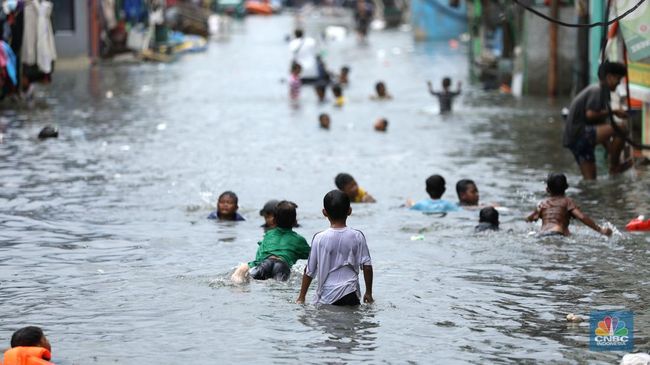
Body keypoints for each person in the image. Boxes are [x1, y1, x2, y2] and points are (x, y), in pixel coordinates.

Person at [296, 190, 373, 305]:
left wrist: (301, 297)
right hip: (351, 292)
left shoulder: (319, 238)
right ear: (350, 211)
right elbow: (367, 267)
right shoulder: (357, 236)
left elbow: (309, 270)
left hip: (328, 295)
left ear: (324, 212)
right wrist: (368, 293)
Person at [562, 61, 630, 180]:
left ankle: (614, 167)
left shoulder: (601, 91)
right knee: (622, 129)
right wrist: (614, 111)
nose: (619, 83)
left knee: (590, 181)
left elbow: (598, 124)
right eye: (618, 79)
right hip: (580, 134)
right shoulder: (597, 90)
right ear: (609, 77)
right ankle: (614, 167)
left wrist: (610, 151)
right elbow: (590, 115)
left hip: (574, 140)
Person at [231, 201, 310, 283]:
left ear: (274, 220)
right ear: (295, 221)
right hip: (282, 266)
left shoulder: (269, 234)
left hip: (266, 263)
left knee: (251, 280)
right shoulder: (299, 240)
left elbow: (260, 254)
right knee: (279, 287)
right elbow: (313, 255)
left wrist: (253, 264)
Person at [526, 173, 612, 237]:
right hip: (557, 233)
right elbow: (581, 217)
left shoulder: (543, 204)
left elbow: (529, 219)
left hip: (541, 234)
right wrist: (600, 229)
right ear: (566, 187)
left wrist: (537, 212)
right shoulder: (567, 201)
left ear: (547, 190)